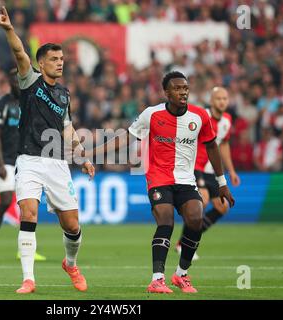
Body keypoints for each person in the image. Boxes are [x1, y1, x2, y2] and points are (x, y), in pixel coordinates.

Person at [87, 71, 235, 293]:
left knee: (195, 219)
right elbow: (127, 137)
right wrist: (94, 153)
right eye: (177, 88)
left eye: (185, 88)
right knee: (165, 220)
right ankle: (157, 279)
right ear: (166, 93)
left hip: (186, 179)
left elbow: (213, 146)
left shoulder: (199, 116)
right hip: (159, 178)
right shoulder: (151, 114)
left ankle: (181, 275)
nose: (182, 92)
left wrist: (222, 181)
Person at [0, 6, 95, 294]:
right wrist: (9, 30)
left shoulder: (64, 95)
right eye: (54, 59)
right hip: (28, 160)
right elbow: (19, 54)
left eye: (62, 59)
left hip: (57, 163)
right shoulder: (30, 81)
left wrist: (84, 158)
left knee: (72, 225)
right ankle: (28, 279)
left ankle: (71, 264)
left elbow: (67, 129)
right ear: (41, 62)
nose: (60, 63)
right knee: (28, 214)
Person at [0, 69, 47, 263]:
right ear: (10, 82)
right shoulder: (1, 104)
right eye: (13, 79)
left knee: (27, 204)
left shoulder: (31, 103)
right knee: (5, 200)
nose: (17, 82)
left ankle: (24, 249)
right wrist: (1, 163)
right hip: (3, 161)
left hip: (25, 159)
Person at [175, 87, 241, 260]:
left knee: (221, 207)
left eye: (225, 98)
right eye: (218, 98)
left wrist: (231, 170)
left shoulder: (227, 120)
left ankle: (184, 241)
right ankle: (185, 244)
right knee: (201, 201)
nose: (222, 102)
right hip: (196, 167)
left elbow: (223, 145)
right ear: (211, 101)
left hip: (212, 171)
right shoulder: (201, 116)